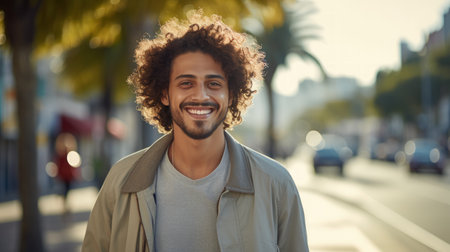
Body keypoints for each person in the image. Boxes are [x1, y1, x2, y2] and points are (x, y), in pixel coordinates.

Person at [82, 10, 308, 252]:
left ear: (231, 94)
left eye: (213, 84)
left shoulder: (276, 183)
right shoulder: (121, 182)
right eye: (186, 83)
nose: (200, 96)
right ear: (165, 93)